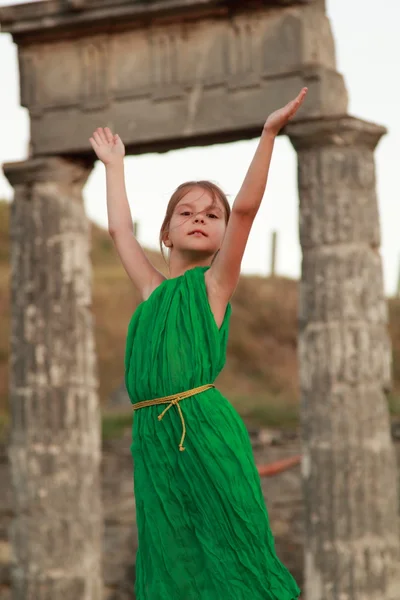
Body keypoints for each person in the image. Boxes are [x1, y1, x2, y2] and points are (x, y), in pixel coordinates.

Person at [89, 87, 307, 600]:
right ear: (166, 232)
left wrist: (269, 134)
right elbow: (120, 229)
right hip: (154, 438)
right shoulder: (152, 289)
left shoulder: (213, 286)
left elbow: (248, 209)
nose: (200, 219)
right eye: (187, 213)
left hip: (203, 430)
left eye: (212, 215)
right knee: (172, 559)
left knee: (233, 550)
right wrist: (114, 167)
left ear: (224, 233)